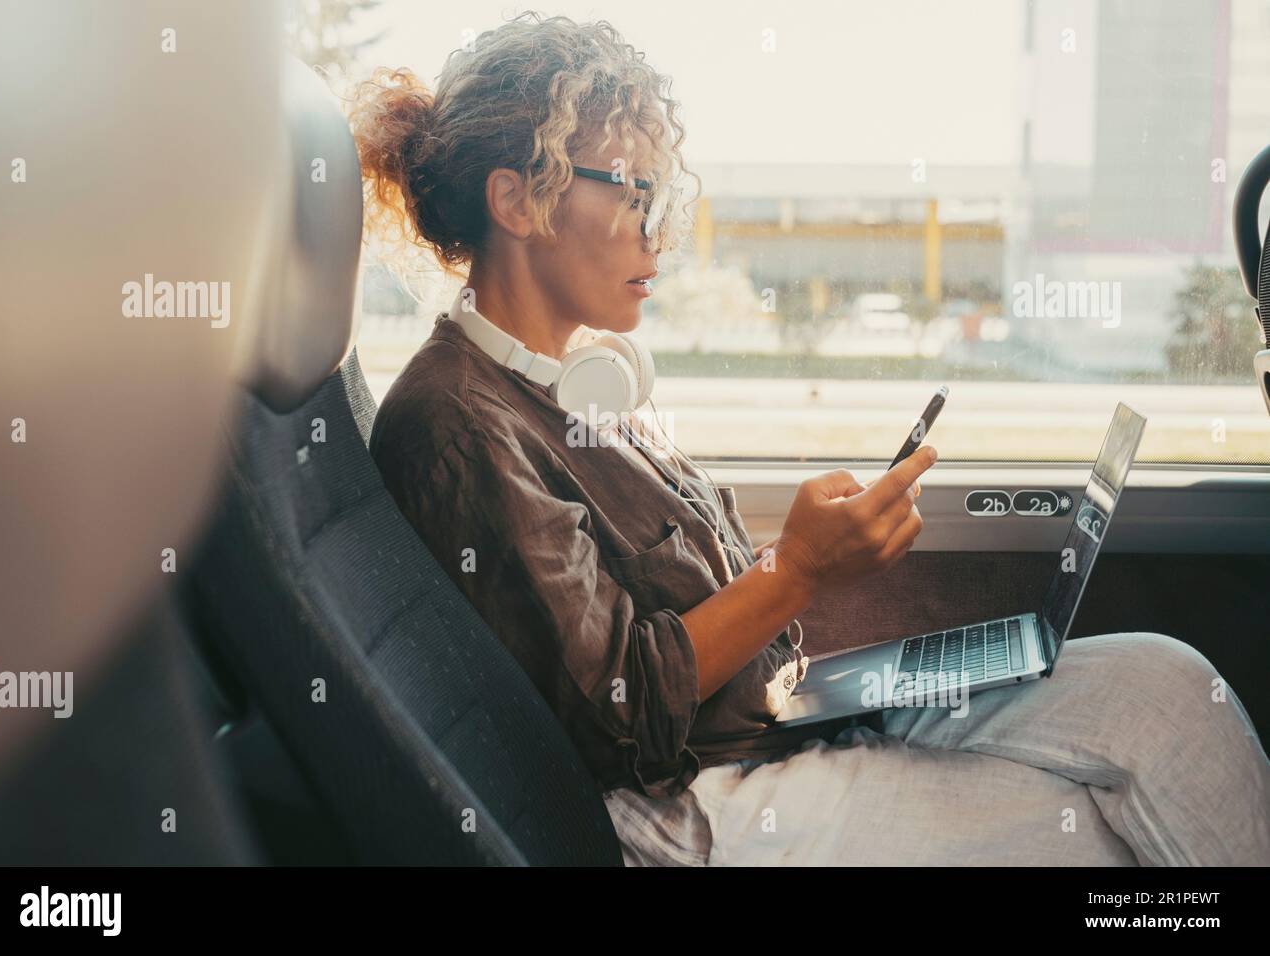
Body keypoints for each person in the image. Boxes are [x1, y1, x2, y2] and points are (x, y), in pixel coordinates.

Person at [352, 12, 1270, 865]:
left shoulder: (577, 385)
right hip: (690, 795)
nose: (656, 232)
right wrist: (793, 571)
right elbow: (622, 711)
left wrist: (810, 583)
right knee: (1101, 840)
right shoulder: (460, 427)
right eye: (630, 193)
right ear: (516, 201)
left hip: (770, 715)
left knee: (1173, 692)